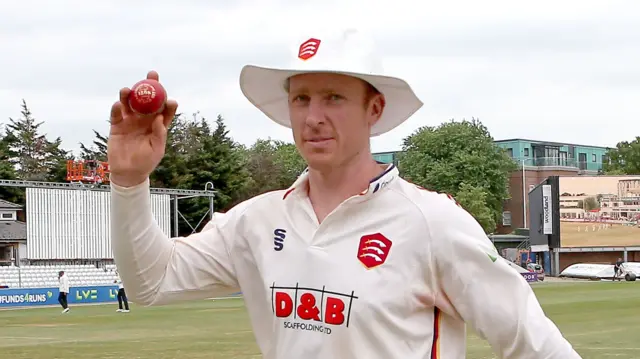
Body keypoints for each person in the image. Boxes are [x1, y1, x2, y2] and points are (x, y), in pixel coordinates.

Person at [108, 29, 581, 358]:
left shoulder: (432, 222)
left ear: (373, 108)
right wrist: (129, 181)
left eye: (333, 97)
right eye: (301, 98)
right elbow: (150, 283)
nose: (313, 116)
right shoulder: (257, 221)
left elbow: (535, 346)